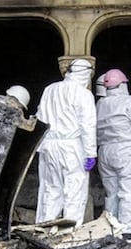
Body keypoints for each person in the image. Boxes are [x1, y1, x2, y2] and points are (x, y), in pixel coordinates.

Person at [34, 58, 97, 226]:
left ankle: (43, 231)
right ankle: (69, 234)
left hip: (49, 145)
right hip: (72, 146)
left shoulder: (49, 89)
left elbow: (40, 118)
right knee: (74, 190)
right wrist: (91, 153)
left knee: (51, 190)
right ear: (86, 74)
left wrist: (39, 147)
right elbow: (88, 125)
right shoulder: (83, 94)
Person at [96, 68, 131, 236]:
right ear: (122, 84)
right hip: (127, 151)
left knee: (112, 193)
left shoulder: (100, 104)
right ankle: (128, 230)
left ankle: (112, 229)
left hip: (105, 152)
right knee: (128, 192)